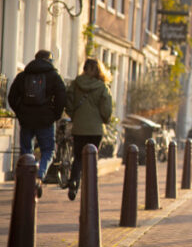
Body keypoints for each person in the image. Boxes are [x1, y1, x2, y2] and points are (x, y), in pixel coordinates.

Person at [8, 49, 67, 197]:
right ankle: (39, 176)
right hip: (45, 120)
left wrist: (21, 112)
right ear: (49, 60)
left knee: (26, 151)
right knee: (48, 150)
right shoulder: (54, 76)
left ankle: (26, 179)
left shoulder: (23, 75)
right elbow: (61, 97)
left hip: (26, 119)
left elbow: (12, 96)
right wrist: (55, 115)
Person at [64, 58, 113, 201]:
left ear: (84, 69)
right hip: (96, 130)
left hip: (79, 128)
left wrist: (74, 115)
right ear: (99, 70)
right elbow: (106, 110)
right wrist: (105, 120)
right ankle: (90, 187)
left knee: (78, 157)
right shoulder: (103, 87)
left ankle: (74, 182)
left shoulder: (75, 84)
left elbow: (68, 101)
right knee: (91, 158)